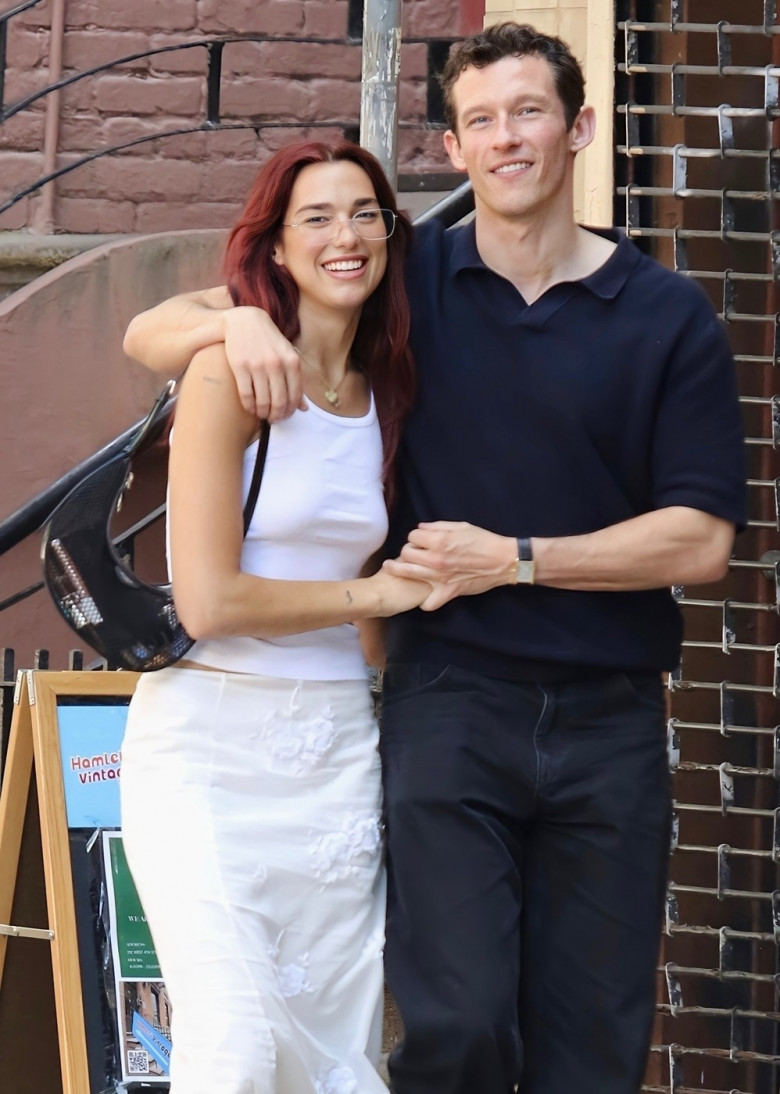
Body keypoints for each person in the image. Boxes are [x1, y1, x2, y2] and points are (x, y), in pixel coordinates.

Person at [122, 23, 747, 1094]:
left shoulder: (665, 314)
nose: (507, 139)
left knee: (591, 1042)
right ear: (454, 149)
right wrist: (237, 332)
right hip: (449, 703)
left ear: (580, 127)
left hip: (610, 717)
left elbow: (702, 538)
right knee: (454, 1026)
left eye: (530, 112)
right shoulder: (404, 288)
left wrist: (514, 560)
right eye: (481, 121)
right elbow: (160, 321)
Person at [119, 138, 435, 1094]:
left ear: (389, 235)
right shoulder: (231, 367)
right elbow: (209, 601)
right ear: (279, 246)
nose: (346, 236)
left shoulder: (388, 388)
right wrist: (375, 593)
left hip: (336, 757)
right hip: (210, 751)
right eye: (317, 218)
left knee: (334, 1054)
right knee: (239, 1046)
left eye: (364, 215)